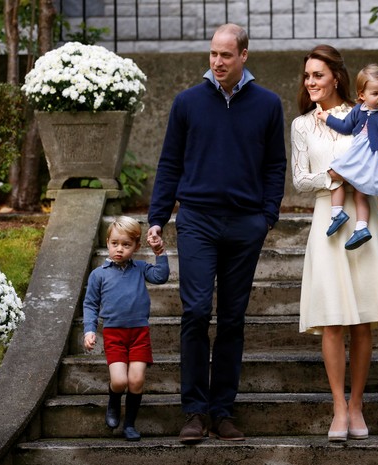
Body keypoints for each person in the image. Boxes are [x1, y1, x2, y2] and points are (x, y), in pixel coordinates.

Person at [146, 23, 286, 444]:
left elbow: (275, 165)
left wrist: (267, 216)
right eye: (213, 54)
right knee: (193, 313)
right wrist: (157, 217)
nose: (218, 62)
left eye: (226, 55)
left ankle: (223, 412)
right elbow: (170, 162)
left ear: (244, 55)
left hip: (245, 224)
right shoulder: (188, 102)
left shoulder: (268, 104)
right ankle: (194, 411)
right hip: (197, 220)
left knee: (232, 318)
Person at [291, 45, 378, 442]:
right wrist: (336, 177)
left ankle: (357, 404)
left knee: (362, 319)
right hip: (327, 216)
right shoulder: (302, 125)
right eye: (307, 77)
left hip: (363, 216)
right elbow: (300, 179)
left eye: (318, 76)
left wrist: (366, 174)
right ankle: (338, 407)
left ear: (336, 78)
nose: (311, 83)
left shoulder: (362, 114)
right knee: (332, 318)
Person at [83, 216, 169, 441]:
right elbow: (90, 304)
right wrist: (89, 330)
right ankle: (113, 400)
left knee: (136, 381)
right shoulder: (99, 274)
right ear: (107, 242)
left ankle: (129, 424)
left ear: (136, 247)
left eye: (126, 245)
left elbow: (161, 277)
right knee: (120, 381)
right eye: (114, 244)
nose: (119, 249)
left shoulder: (140, 268)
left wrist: (160, 254)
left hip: (139, 332)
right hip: (114, 334)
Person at [316, 63, 378, 250]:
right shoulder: (358, 111)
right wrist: (327, 118)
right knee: (343, 181)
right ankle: (348, 220)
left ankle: (350, 220)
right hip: (360, 156)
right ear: (362, 95)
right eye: (375, 93)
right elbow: (345, 126)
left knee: (348, 182)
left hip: (375, 158)